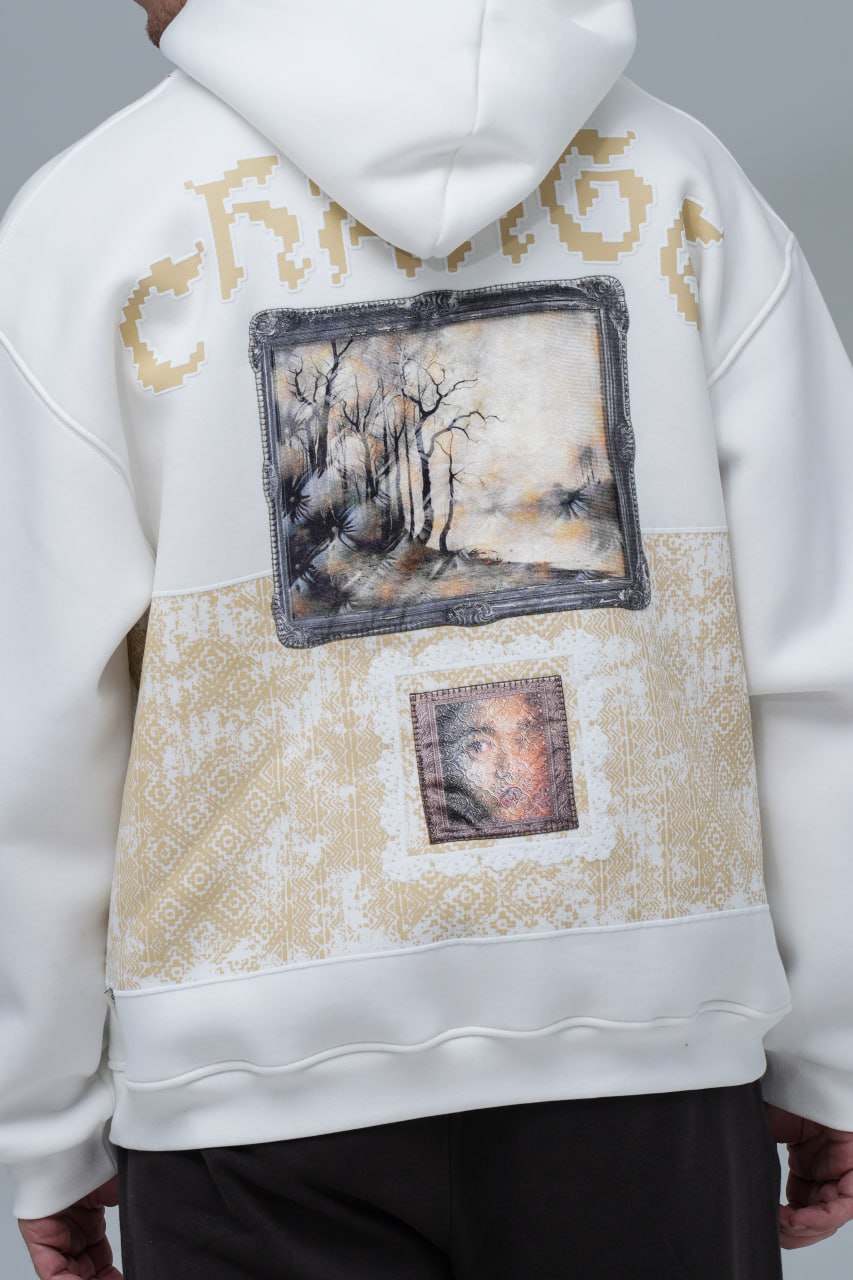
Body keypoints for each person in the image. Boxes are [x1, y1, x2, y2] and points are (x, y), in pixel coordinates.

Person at [1, 0, 852, 1276]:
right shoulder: (683, 184)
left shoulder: (94, 219)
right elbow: (820, 658)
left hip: (248, 1088)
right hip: (650, 1058)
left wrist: (44, 1121)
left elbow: (32, 727)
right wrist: (832, 1049)